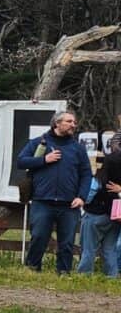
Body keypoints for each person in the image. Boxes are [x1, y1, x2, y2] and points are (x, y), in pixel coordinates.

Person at [17, 110, 92, 273]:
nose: (73, 125)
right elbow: (21, 161)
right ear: (57, 123)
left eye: (74, 122)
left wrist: (82, 197)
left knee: (67, 242)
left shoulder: (78, 149)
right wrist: (44, 159)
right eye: (69, 121)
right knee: (38, 237)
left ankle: (64, 272)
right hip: (42, 200)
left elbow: (86, 174)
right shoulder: (39, 143)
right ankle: (32, 268)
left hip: (69, 203)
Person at [77, 145, 121, 277]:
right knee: (110, 249)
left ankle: (84, 275)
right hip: (114, 215)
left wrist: (83, 203)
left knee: (89, 248)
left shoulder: (100, 176)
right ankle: (111, 276)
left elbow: (89, 194)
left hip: (95, 214)